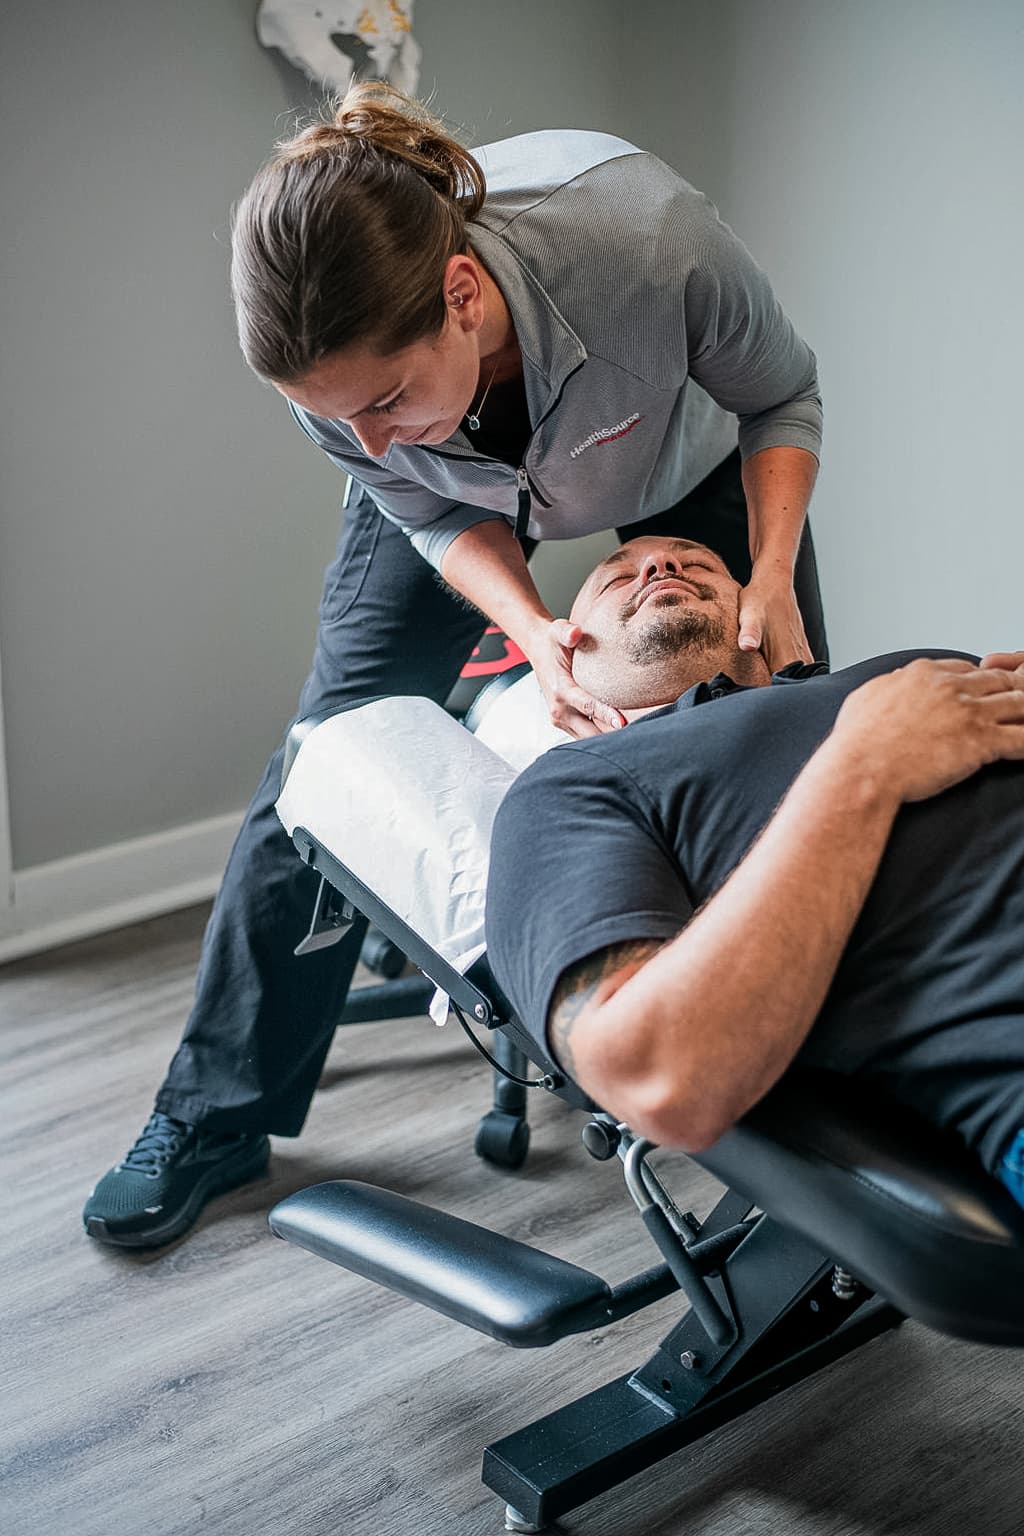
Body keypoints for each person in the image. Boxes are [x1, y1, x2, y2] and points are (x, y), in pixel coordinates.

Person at [84, 82, 829, 1247]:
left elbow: (781, 395)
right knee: (326, 757)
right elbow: (411, 498)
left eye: (380, 400)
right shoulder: (346, 395)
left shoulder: (649, 246)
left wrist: (772, 573)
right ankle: (212, 1113)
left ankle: (817, 1101)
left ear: (464, 296)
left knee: (783, 722)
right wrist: (532, 630)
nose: (359, 442)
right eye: (338, 422)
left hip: (681, 468)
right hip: (454, 496)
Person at [485, 536, 1024, 1202]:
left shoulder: (912, 672)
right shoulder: (569, 789)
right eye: (615, 579)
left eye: (698, 561)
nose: (659, 566)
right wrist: (867, 763)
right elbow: (656, 1075)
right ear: (566, 662)